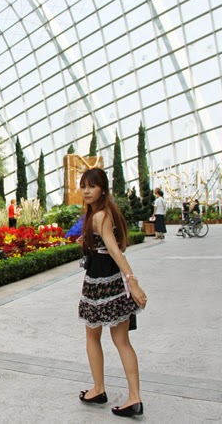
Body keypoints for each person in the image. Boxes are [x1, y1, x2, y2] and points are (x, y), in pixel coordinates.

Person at [77, 168, 147, 418]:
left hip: (99, 285)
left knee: (93, 337)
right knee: (123, 342)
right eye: (83, 185)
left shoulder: (98, 217)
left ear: (102, 189)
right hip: (115, 284)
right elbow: (116, 246)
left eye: (91, 186)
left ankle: (98, 389)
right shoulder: (108, 213)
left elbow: (117, 252)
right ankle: (134, 398)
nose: (86, 191)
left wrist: (134, 281)